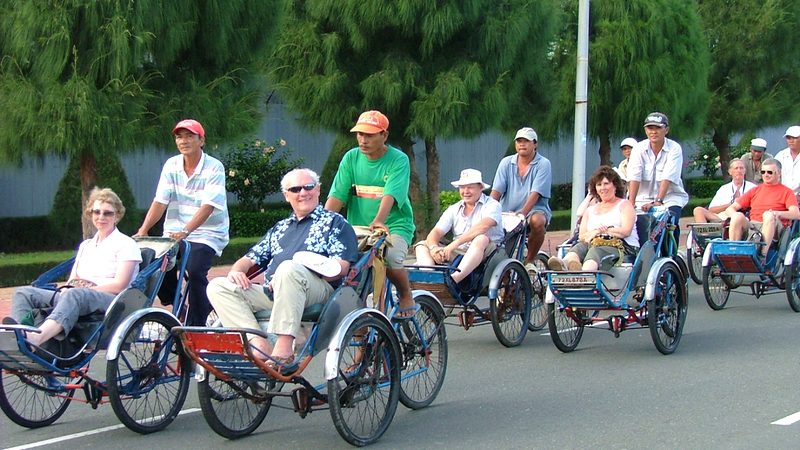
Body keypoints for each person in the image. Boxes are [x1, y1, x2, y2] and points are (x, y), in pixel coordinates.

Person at [207, 168, 358, 366]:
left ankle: (284, 348)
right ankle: (258, 343)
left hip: (318, 291)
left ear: (318, 190)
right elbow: (249, 259)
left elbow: (340, 268)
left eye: (308, 186)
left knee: (288, 269)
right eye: (295, 189)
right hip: (275, 292)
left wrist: (294, 272)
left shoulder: (335, 222)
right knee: (218, 286)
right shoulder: (280, 228)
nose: (303, 193)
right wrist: (237, 271)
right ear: (287, 195)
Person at [6, 188, 142, 348]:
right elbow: (73, 279)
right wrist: (68, 288)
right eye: (96, 212)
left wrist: (86, 290)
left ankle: (36, 338)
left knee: (75, 294)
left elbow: (120, 285)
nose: (101, 217)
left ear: (117, 216)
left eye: (107, 213)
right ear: (90, 214)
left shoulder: (126, 244)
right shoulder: (86, 245)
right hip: (78, 295)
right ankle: (20, 335)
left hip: (111, 300)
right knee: (23, 293)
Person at [135, 119, 229, 326]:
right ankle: (176, 304)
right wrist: (144, 229)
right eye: (179, 137)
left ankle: (196, 323)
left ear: (201, 140)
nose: (183, 141)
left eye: (189, 136)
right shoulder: (171, 165)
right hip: (174, 232)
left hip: (208, 233)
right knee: (153, 263)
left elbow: (208, 206)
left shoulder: (215, 167)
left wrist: (186, 231)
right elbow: (160, 201)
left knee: (195, 270)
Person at [325, 110, 417, 318]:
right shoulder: (351, 158)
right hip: (358, 228)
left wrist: (379, 220)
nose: (363, 140)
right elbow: (337, 196)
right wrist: (321, 225)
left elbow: (390, 194)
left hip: (393, 225)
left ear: (384, 135)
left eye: (369, 135)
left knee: (390, 257)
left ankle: (405, 294)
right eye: (360, 134)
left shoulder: (398, 159)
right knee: (346, 270)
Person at [415, 169, 504, 286]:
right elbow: (436, 232)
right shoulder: (453, 209)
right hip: (460, 251)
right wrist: (433, 248)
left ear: (481, 187)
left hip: (488, 252)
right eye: (462, 187)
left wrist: (453, 245)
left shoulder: (492, 205)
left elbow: (483, 226)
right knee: (422, 245)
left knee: (481, 238)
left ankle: (453, 281)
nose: (465, 191)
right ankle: (429, 280)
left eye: (470, 187)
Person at [547, 166, 638, 271]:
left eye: (606, 183)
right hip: (593, 243)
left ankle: (585, 274)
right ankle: (567, 264)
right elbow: (582, 236)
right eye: (599, 185)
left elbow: (626, 231)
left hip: (621, 246)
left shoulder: (625, 205)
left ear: (615, 186)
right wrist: (594, 233)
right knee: (579, 247)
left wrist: (599, 232)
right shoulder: (590, 210)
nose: (603, 188)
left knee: (595, 251)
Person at [490, 127, 552, 271]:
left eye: (526, 141)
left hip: (533, 211)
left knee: (537, 221)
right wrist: (488, 210)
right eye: (519, 141)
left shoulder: (543, 164)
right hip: (507, 212)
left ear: (535, 144)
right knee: (499, 251)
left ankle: (529, 261)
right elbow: (496, 191)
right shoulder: (506, 163)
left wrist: (523, 213)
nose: (522, 144)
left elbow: (536, 193)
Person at [723, 159, 800, 260]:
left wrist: (777, 213)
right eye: (763, 172)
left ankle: (762, 255)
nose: (766, 175)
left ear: (779, 173)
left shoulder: (787, 192)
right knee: (737, 216)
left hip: (774, 225)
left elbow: (796, 214)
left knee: (768, 215)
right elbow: (730, 209)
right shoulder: (755, 190)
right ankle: (734, 252)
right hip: (754, 226)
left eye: (770, 172)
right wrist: (741, 218)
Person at [626, 112, 689, 215]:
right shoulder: (638, 148)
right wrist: (631, 203)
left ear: (666, 130)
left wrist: (658, 201)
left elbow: (668, 177)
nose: (654, 132)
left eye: (658, 128)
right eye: (650, 128)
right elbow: (634, 176)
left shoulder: (674, 148)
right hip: (641, 199)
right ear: (645, 131)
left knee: (669, 220)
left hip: (670, 198)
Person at [693, 158, 755, 223]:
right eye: (736, 168)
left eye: (741, 168)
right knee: (698, 210)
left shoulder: (752, 187)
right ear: (730, 172)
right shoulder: (724, 189)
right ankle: (704, 230)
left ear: (745, 171)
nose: (739, 171)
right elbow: (711, 209)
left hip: (743, 218)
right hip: (722, 219)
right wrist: (731, 204)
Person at [774, 126, 800, 194]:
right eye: (788, 138)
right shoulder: (780, 155)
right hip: (782, 194)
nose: (791, 141)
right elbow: (772, 174)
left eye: (794, 138)